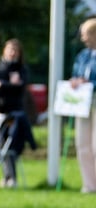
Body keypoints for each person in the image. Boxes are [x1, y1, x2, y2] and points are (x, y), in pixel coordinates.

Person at [0, 39, 31, 187]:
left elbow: (20, 88)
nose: (12, 53)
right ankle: (8, 176)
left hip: (15, 113)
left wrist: (3, 85)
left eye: (15, 50)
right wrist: (10, 85)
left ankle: (11, 177)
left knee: (11, 143)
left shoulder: (21, 69)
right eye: (10, 49)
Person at [71, 18, 96, 194]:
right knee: (83, 143)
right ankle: (89, 184)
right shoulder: (82, 56)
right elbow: (76, 74)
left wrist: (90, 83)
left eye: (85, 34)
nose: (83, 38)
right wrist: (75, 81)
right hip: (82, 103)